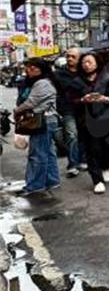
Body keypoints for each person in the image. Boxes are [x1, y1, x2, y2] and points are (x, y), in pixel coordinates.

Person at [13, 57, 61, 197]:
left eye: (33, 67)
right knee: (48, 153)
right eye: (27, 67)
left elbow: (31, 102)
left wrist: (17, 110)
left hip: (42, 121)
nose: (29, 70)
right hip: (47, 120)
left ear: (41, 69)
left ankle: (35, 185)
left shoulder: (42, 83)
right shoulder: (42, 81)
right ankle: (52, 180)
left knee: (37, 154)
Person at [77, 52, 109, 194]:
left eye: (89, 62)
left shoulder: (108, 79)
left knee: (108, 146)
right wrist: (82, 100)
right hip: (87, 121)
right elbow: (70, 100)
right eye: (84, 62)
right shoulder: (77, 81)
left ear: (97, 63)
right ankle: (97, 180)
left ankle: (106, 167)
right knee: (92, 149)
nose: (86, 65)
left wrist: (106, 99)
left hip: (107, 120)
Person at [52, 47, 86, 177]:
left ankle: (83, 160)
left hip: (84, 109)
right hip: (67, 109)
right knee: (72, 135)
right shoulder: (58, 74)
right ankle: (72, 164)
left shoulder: (85, 72)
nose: (70, 58)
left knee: (83, 135)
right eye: (68, 56)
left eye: (73, 56)